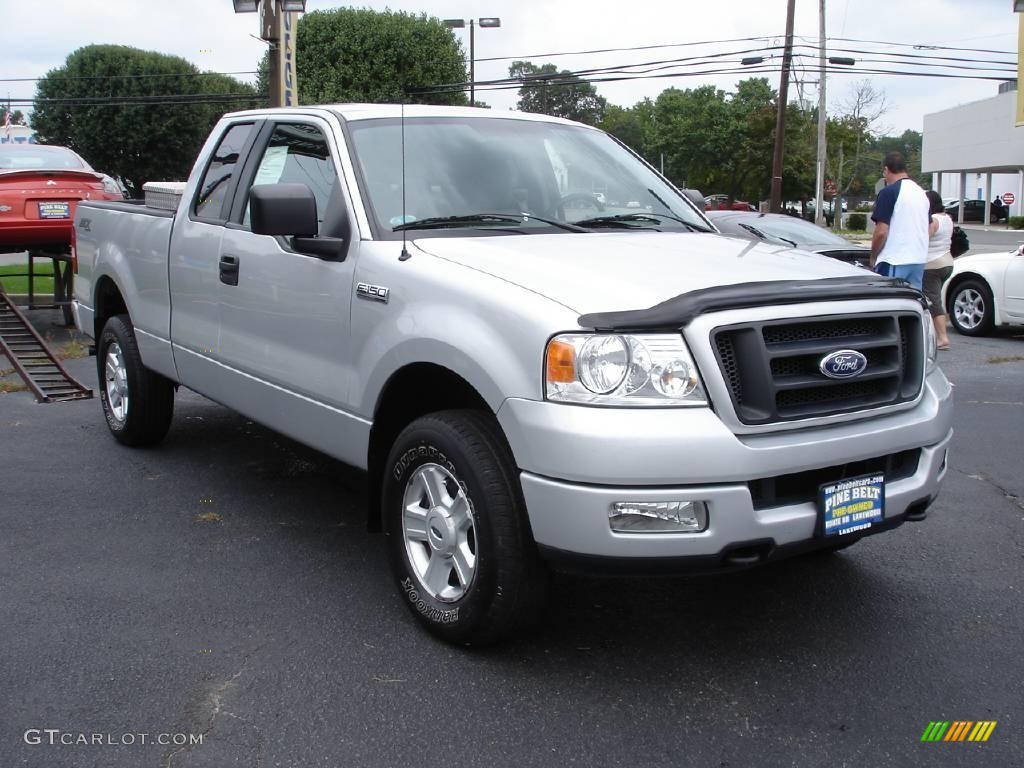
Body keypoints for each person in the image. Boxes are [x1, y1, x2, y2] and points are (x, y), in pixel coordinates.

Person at [870, 152, 929, 290]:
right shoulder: (921, 193)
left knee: (887, 304)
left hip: (894, 259)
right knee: (912, 304)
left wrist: (873, 256)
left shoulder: (889, 192)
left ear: (886, 170)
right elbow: (929, 227)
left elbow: (881, 232)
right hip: (918, 259)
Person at [924, 190, 954, 350]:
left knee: (933, 302)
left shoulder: (933, 220)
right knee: (935, 299)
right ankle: (937, 335)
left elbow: (924, 237)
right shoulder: (947, 218)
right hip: (947, 262)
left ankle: (942, 338)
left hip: (931, 264)